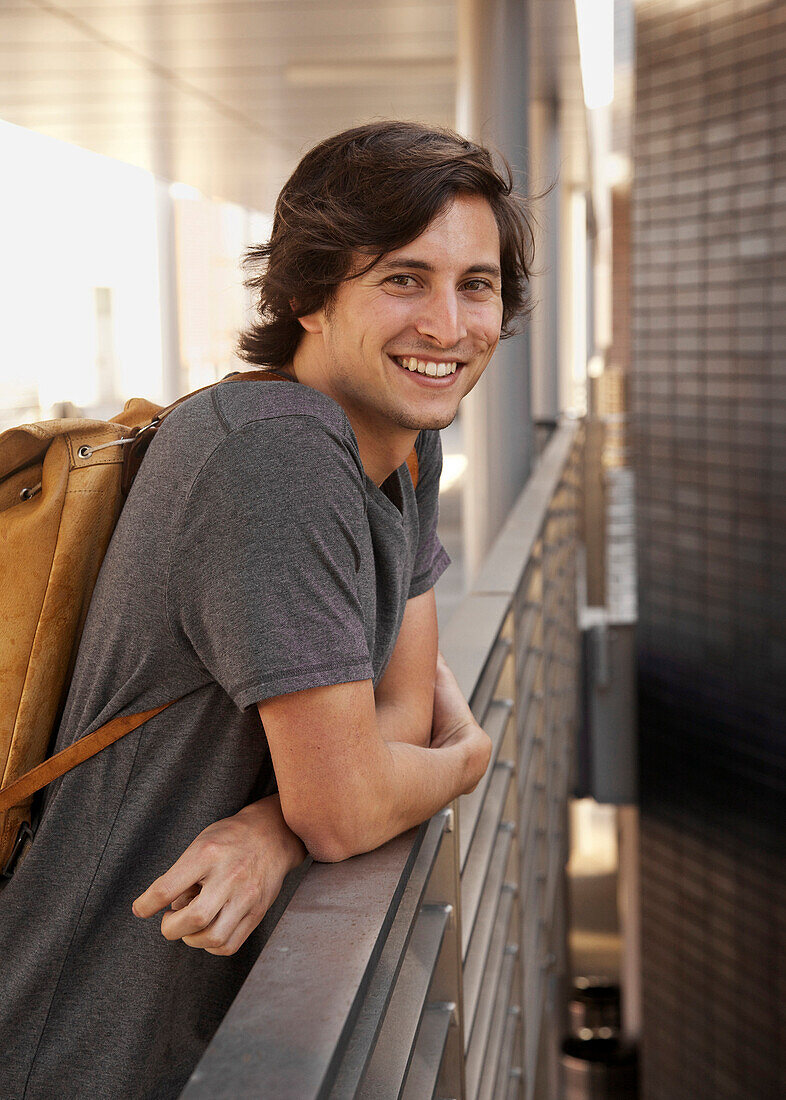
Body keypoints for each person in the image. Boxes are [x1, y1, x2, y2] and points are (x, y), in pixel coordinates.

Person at [0, 120, 534, 1098]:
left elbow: (396, 716)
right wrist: (464, 761)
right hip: (74, 1037)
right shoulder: (274, 455)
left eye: (477, 284)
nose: (450, 326)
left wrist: (274, 825)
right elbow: (355, 798)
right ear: (305, 295)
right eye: (403, 279)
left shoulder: (405, 448)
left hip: (199, 1025)